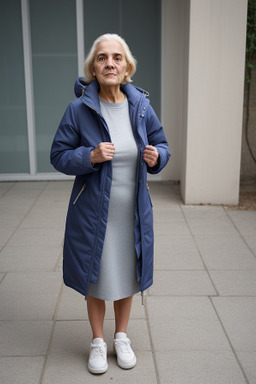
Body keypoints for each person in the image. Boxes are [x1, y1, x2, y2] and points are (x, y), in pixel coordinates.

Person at [50, 33, 170, 375]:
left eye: (117, 57)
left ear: (127, 66)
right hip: (92, 212)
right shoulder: (79, 109)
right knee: (97, 277)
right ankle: (98, 342)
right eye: (102, 58)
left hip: (131, 211)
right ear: (93, 67)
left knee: (126, 274)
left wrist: (156, 156)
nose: (110, 63)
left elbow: (162, 143)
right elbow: (57, 156)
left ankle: (121, 336)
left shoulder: (142, 106)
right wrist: (89, 155)